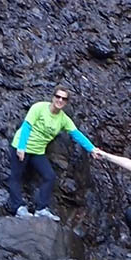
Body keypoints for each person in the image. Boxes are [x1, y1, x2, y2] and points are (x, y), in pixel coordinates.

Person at [9, 84, 97, 221]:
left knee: (49, 176)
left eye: (64, 99)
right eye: (58, 96)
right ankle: (18, 207)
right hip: (22, 147)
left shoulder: (63, 119)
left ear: (66, 102)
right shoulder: (39, 107)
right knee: (16, 176)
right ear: (53, 97)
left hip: (37, 151)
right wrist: (21, 147)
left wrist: (91, 149)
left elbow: (76, 134)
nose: (60, 100)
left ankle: (41, 209)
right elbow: (26, 126)